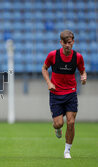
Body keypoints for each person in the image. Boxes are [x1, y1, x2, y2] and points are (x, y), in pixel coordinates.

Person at [42, 30, 87, 159]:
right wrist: (49, 82)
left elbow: (83, 71)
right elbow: (44, 68)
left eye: (70, 42)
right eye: (65, 43)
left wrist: (84, 77)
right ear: (60, 42)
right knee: (59, 123)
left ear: (73, 42)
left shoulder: (78, 57)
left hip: (71, 93)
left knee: (71, 122)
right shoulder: (53, 55)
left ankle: (67, 151)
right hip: (56, 93)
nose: (68, 45)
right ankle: (56, 128)